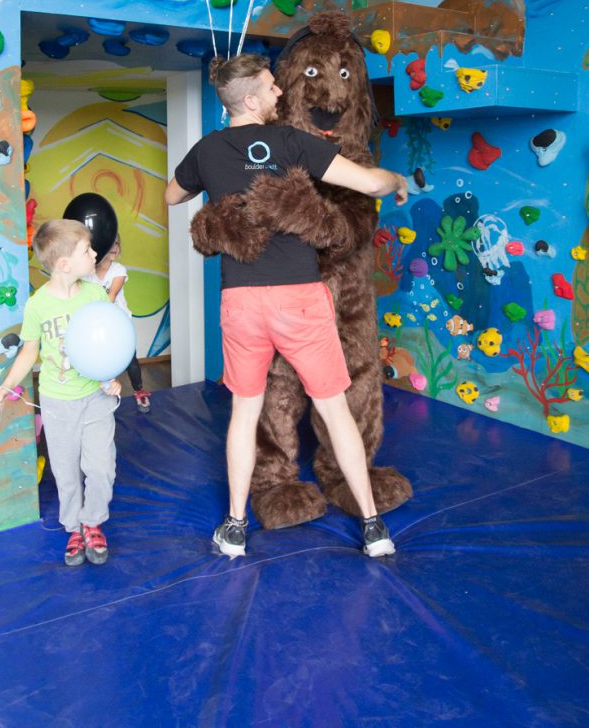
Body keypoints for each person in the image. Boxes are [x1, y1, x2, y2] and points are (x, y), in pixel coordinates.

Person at [165, 53, 409, 560]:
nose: (280, 92)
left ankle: (234, 527)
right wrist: (395, 181)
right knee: (334, 408)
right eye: (272, 86)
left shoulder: (206, 150)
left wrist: (215, 187)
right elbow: (368, 182)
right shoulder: (292, 143)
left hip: (242, 302)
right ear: (251, 98)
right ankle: (371, 525)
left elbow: (171, 196)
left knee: (244, 412)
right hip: (298, 298)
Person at [0, 219, 121, 567]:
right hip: (57, 401)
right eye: (87, 249)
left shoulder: (95, 294)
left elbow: (108, 341)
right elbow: (29, 351)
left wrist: (111, 376)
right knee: (65, 471)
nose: (95, 252)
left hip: (96, 397)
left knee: (101, 467)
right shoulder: (37, 305)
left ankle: (92, 521)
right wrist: (6, 385)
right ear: (64, 264)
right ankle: (74, 527)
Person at [83, 234, 149, 413]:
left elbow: (111, 295)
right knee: (102, 359)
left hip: (119, 322)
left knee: (130, 360)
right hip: (98, 324)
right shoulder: (88, 273)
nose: (115, 248)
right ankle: (104, 391)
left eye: (118, 244)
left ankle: (139, 391)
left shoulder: (118, 269)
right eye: (111, 244)